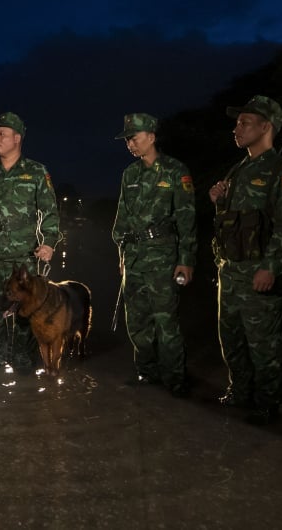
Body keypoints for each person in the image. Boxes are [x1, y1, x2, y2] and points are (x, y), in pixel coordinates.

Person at [208, 96, 282, 425]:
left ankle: (267, 402)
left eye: (244, 122)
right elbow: (231, 222)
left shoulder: (281, 171)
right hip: (230, 270)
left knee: (264, 344)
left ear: (266, 126)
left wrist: (270, 267)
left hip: (258, 270)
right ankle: (239, 391)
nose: (237, 129)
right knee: (230, 338)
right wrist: (218, 202)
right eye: (237, 123)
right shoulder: (238, 169)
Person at [0, 112, 61, 374]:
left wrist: (49, 243)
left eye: (2, 134)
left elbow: (50, 211)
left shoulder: (36, 172)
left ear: (17, 138)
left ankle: (23, 365)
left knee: (25, 316)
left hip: (23, 260)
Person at [111, 113, 196, 398]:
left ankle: (175, 379)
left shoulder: (175, 171)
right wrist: (121, 254)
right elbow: (121, 219)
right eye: (127, 140)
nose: (130, 144)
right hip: (134, 257)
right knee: (136, 321)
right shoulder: (130, 174)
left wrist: (186, 260)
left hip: (163, 258)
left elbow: (186, 219)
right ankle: (148, 372)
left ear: (151, 136)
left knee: (166, 321)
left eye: (133, 138)